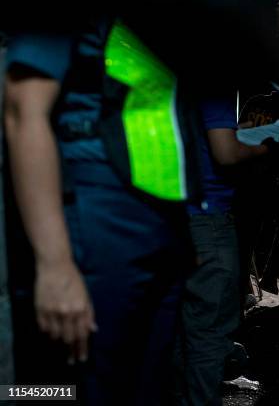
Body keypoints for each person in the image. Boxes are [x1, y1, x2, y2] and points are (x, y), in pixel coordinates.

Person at [4, 24, 193, 405]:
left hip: (152, 231)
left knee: (140, 387)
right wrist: (55, 265)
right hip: (91, 226)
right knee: (58, 390)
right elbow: (22, 110)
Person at [174, 94, 269, 406]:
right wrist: (266, 145)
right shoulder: (214, 80)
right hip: (208, 220)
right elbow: (225, 152)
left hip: (165, 218)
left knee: (175, 333)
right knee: (208, 335)